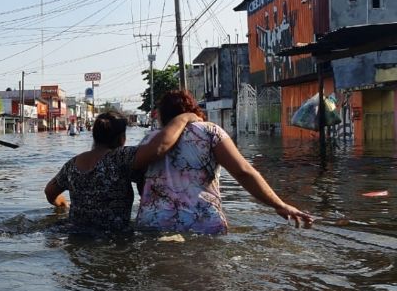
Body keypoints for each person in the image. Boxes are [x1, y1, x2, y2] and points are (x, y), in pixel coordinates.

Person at [135, 90, 314, 234]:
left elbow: (139, 180)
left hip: (154, 224)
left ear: (163, 116)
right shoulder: (210, 132)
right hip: (202, 224)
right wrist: (279, 205)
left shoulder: (149, 140)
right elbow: (243, 172)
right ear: (192, 110)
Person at [44, 110, 199, 232]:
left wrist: (63, 205)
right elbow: (159, 147)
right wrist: (182, 119)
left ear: (95, 136)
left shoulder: (72, 164)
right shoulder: (120, 157)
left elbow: (50, 192)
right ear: (121, 139)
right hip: (114, 237)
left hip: (76, 233)